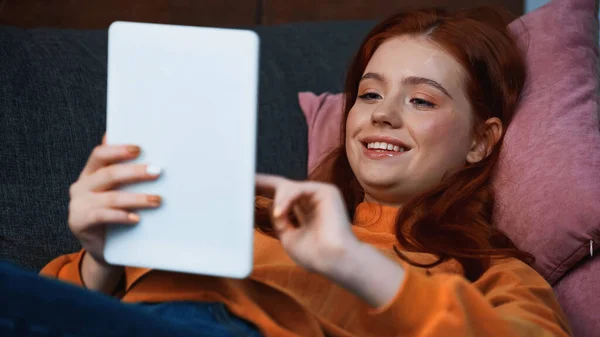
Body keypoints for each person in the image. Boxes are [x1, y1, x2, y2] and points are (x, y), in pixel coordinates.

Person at [0, 7, 573, 337]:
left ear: (481, 140)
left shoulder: (489, 273)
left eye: (421, 101)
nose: (381, 114)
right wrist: (102, 256)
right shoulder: (246, 212)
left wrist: (351, 263)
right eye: (368, 94)